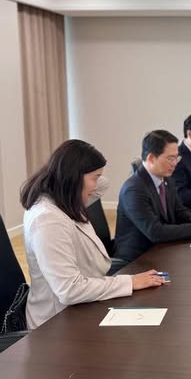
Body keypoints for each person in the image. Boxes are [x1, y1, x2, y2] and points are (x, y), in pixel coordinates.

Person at [20, 140, 165, 330]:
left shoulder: (66, 198)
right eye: (94, 178)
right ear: (74, 178)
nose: (96, 185)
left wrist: (82, 174)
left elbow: (104, 184)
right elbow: (69, 290)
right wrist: (130, 282)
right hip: (55, 323)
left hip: (81, 305)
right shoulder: (47, 219)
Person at [113, 130, 191, 265]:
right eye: (170, 158)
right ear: (151, 158)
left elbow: (179, 211)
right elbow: (155, 232)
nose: (175, 163)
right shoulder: (134, 190)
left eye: (177, 158)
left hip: (161, 249)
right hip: (137, 260)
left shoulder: (166, 179)